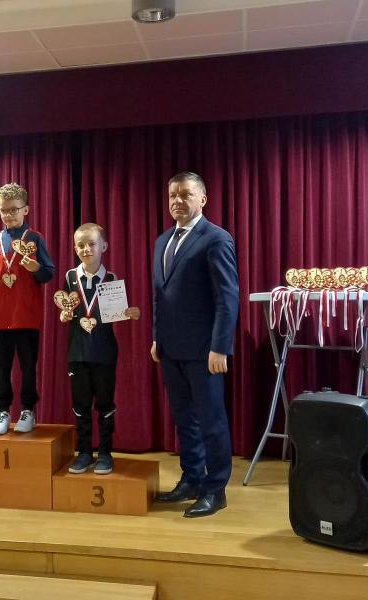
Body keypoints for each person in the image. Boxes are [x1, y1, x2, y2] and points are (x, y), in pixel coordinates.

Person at [150, 172, 239, 518]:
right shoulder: (162, 241)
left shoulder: (216, 238)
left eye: (186, 194)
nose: (177, 201)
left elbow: (227, 298)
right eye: (173, 195)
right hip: (170, 348)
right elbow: (160, 296)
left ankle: (215, 489)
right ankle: (191, 479)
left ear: (202, 199)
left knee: (211, 420)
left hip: (205, 351)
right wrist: (157, 336)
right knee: (184, 419)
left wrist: (220, 347)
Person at [0, 182, 54, 435]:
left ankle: (28, 409)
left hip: (27, 316)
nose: (8, 215)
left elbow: (48, 273)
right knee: (1, 368)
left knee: (28, 367)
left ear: (26, 209)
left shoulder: (35, 239)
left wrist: (35, 268)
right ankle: (2, 410)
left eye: (14, 209)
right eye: (3, 210)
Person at [58, 223, 140, 475]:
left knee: (105, 404)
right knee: (80, 405)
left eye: (92, 244)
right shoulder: (70, 277)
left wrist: (130, 313)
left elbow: (116, 313)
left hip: (104, 353)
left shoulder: (112, 279)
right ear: (75, 248)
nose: (86, 249)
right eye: (81, 245)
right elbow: (66, 307)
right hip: (77, 352)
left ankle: (105, 453)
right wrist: (64, 314)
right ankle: (84, 452)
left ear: (103, 246)